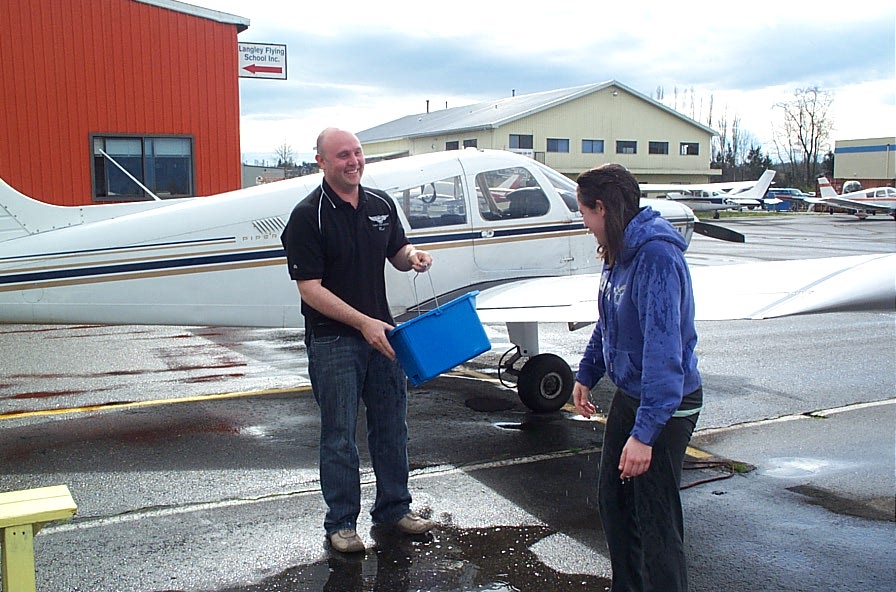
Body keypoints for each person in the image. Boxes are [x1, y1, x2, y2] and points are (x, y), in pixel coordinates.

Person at [280, 127, 435, 553]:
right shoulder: (307, 216)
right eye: (343, 155)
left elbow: (397, 251)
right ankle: (341, 523)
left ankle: (394, 509)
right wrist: (362, 323)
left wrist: (412, 258)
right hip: (334, 341)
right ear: (323, 162)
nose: (354, 161)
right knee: (339, 434)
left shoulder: (381, 203)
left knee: (391, 427)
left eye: (357, 153)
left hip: (384, 335)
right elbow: (309, 288)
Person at [571, 163, 702, 591]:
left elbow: (665, 357)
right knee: (615, 504)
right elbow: (609, 320)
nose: (585, 224)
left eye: (585, 214)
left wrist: (645, 436)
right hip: (633, 393)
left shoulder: (657, 257)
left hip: (668, 403)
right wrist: (587, 372)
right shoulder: (619, 252)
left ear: (603, 208)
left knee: (655, 519)